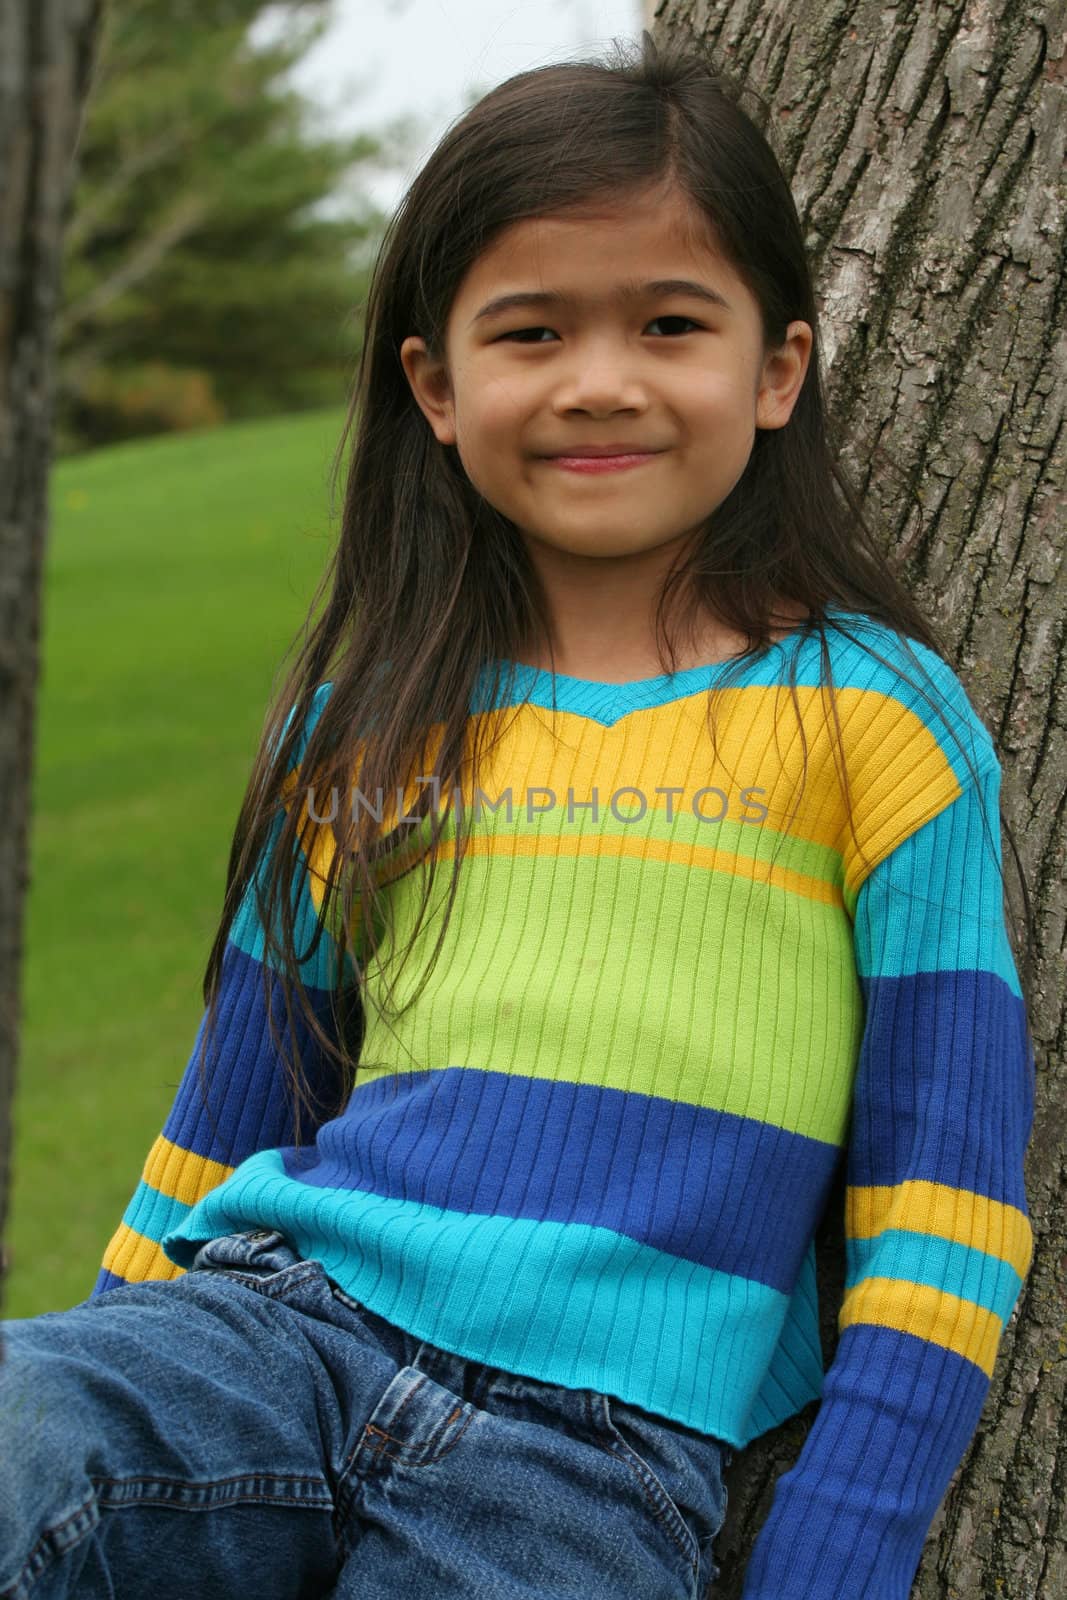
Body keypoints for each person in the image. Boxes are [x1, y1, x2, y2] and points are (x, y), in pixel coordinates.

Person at [1, 29, 1037, 1600]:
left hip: (591, 1455)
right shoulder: (367, 721)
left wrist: (841, 1546)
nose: (599, 381)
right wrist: (94, 1366)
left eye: (671, 323)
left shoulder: (878, 726)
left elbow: (946, 1201)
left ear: (777, 369)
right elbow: (228, 1114)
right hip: (274, 1331)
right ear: (437, 383)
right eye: (532, 330)